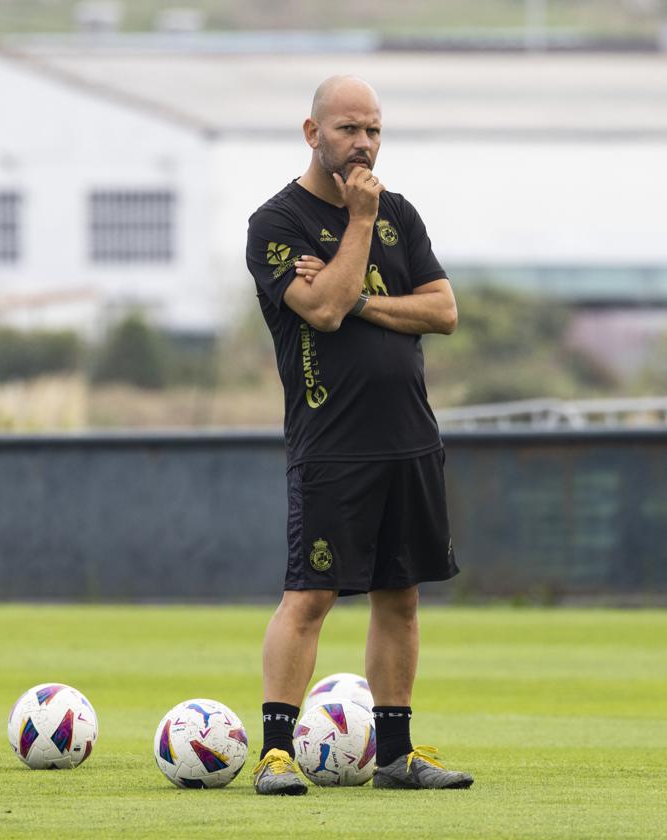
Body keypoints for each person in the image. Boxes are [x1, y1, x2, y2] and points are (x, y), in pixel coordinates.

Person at [244, 75, 473, 794]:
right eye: (348, 129)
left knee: (400, 596)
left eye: (373, 129)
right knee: (310, 596)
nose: (364, 144)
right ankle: (277, 752)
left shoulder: (401, 212)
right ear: (313, 134)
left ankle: (398, 755)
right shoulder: (276, 222)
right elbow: (321, 309)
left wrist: (366, 297)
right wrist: (359, 226)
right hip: (333, 444)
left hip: (409, 438)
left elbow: (441, 311)